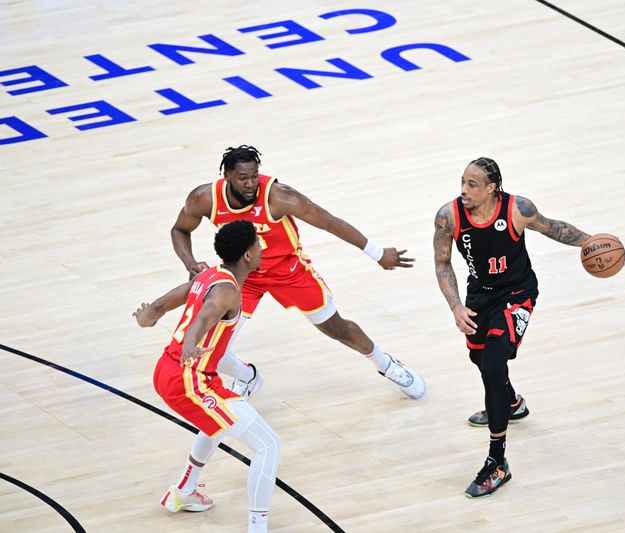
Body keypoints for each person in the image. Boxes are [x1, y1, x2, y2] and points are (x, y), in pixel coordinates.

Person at [171, 145, 426, 400]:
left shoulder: (280, 197)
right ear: (226, 176)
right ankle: (247, 376)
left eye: (254, 176)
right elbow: (180, 230)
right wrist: (190, 262)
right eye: (243, 178)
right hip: (241, 276)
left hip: (288, 270)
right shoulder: (204, 199)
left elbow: (329, 222)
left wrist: (377, 253)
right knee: (214, 346)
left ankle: (387, 364)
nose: (250, 184)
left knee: (337, 328)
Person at [433, 157, 597, 498]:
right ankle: (510, 403)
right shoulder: (448, 216)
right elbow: (442, 261)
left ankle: (497, 462)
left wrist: (590, 242)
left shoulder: (517, 209)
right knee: (478, 360)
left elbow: (554, 228)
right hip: (478, 296)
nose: (463, 190)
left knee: (493, 364)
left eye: (472, 184)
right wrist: (455, 306)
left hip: (517, 293)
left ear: (493, 188)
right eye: (462, 182)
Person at [134, 220, 280, 532]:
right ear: (247, 257)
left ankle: (185, 490)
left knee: (222, 417)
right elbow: (204, 316)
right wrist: (190, 343)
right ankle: (258, 527)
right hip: (188, 379)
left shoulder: (209, 275)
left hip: (170, 369)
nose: (261, 248)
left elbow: (161, 304)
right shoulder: (227, 292)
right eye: (258, 244)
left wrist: (150, 316)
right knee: (269, 445)